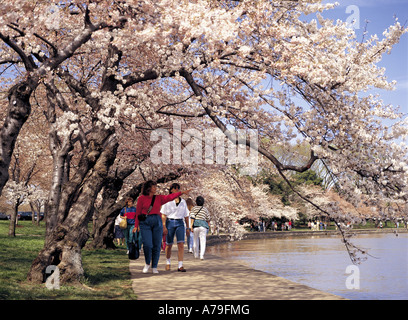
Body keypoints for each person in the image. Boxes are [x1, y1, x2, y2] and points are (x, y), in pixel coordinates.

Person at [134, 180, 191, 274]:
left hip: (157, 221)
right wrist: (136, 226)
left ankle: (154, 266)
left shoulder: (159, 198)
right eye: (154, 187)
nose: (156, 188)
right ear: (148, 188)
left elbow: (169, 197)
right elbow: (138, 213)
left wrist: (181, 193)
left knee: (157, 245)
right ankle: (147, 263)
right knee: (148, 245)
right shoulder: (141, 199)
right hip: (145, 222)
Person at [161, 183, 190, 272]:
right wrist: (164, 226)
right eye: (174, 188)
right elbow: (163, 214)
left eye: (178, 188)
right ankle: (168, 262)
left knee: (180, 244)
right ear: (171, 190)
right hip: (170, 222)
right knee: (169, 244)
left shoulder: (183, 202)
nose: (176, 189)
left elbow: (186, 215)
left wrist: (188, 228)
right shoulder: (167, 201)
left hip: (180, 223)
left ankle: (180, 265)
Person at [190, 196, 211, 260]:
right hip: (203, 226)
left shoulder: (194, 209)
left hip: (196, 225)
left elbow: (192, 217)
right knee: (203, 240)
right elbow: (208, 218)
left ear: (196, 202)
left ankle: (196, 254)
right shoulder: (205, 209)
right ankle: (202, 255)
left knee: (195, 240)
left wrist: (191, 226)